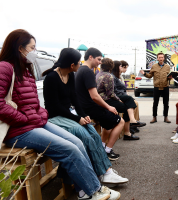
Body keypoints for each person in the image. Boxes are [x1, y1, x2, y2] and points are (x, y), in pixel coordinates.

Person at [0, 29, 113, 200]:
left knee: (77, 142)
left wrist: (41, 115)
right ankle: (92, 192)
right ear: (19, 48)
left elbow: (35, 104)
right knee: (69, 149)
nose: (34, 52)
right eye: (32, 48)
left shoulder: (26, 70)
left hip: (34, 123)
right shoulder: (3, 68)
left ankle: (87, 189)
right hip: (17, 129)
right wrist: (23, 119)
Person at [43, 48, 128, 189]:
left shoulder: (70, 76)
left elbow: (75, 99)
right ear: (72, 65)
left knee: (93, 133)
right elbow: (55, 107)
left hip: (69, 113)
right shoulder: (51, 78)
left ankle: (106, 172)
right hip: (55, 117)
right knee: (84, 136)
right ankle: (100, 173)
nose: (80, 64)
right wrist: (77, 119)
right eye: (78, 62)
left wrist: (83, 115)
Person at [75, 47, 125, 161]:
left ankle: (102, 147)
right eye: (98, 59)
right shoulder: (88, 71)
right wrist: (109, 107)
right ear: (90, 57)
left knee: (108, 123)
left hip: (83, 107)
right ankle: (107, 150)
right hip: (89, 108)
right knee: (120, 121)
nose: (100, 62)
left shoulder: (80, 70)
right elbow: (94, 96)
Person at [96, 58, 139, 140]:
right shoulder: (109, 76)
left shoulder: (99, 74)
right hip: (107, 100)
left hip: (100, 100)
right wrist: (118, 100)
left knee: (128, 102)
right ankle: (127, 132)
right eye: (120, 66)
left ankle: (128, 130)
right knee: (127, 106)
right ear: (111, 66)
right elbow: (111, 94)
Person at [139, 52, 172, 123]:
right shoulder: (154, 66)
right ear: (157, 58)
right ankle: (154, 117)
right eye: (159, 57)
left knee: (166, 103)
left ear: (164, 58)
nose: (161, 59)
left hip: (165, 87)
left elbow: (169, 78)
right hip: (157, 87)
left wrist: (170, 77)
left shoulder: (167, 67)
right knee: (155, 103)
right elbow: (150, 76)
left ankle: (166, 117)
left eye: (162, 57)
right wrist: (144, 73)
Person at [119, 60, 144, 133]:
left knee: (135, 103)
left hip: (122, 95)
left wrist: (126, 94)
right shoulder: (116, 76)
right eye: (124, 67)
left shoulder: (120, 76)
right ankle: (131, 124)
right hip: (119, 97)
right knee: (132, 104)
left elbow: (122, 89)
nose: (126, 70)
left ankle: (134, 122)